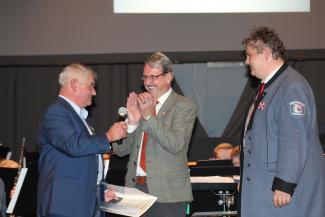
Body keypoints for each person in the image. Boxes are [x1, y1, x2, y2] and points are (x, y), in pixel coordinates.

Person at [240, 26, 325, 217]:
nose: (246, 61)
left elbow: (293, 139)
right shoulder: (272, 86)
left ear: (267, 54)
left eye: (249, 55)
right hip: (264, 187)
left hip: (280, 194)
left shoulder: (291, 87)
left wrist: (285, 184)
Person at [112, 52, 197, 217]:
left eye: (153, 77)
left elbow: (176, 144)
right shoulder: (139, 104)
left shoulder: (184, 106)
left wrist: (150, 116)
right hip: (135, 190)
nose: (148, 83)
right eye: (145, 77)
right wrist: (132, 123)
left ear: (169, 76)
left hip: (168, 194)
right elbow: (120, 150)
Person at [37, 63, 127, 217]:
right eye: (91, 86)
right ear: (73, 85)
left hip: (78, 205)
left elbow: (83, 164)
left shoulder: (77, 116)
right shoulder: (56, 112)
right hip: (63, 207)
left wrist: (100, 192)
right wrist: (108, 137)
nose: (94, 92)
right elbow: (73, 146)